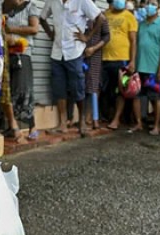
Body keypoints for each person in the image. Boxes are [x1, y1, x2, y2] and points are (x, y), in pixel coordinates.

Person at [40, 0, 103, 136]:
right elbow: (42, 18)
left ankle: (81, 122)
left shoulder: (82, 2)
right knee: (59, 88)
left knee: (77, 87)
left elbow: (100, 18)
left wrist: (87, 36)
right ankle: (62, 124)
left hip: (74, 52)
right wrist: (50, 34)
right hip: (57, 53)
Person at [131, 0, 160, 135]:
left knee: (156, 98)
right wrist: (133, 63)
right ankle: (138, 123)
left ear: (158, 7)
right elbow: (136, 45)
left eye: (152, 3)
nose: (149, 6)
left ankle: (156, 125)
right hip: (139, 66)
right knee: (136, 95)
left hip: (154, 68)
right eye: (147, 2)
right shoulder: (141, 25)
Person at [4, 0, 41, 141]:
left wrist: (11, 30)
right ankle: (11, 126)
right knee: (9, 91)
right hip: (7, 53)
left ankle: (32, 127)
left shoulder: (30, 6)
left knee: (24, 90)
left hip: (23, 53)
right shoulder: (6, 6)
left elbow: (34, 29)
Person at [103, 0, 139, 130]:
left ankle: (116, 119)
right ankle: (106, 115)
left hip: (122, 58)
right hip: (104, 58)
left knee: (121, 90)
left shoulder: (129, 17)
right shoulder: (105, 14)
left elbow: (133, 40)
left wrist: (132, 61)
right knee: (106, 89)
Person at [80, 15, 111, 130]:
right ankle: (80, 119)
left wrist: (94, 48)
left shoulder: (101, 17)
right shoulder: (79, 14)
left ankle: (94, 119)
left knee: (93, 86)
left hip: (94, 54)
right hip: (79, 53)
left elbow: (107, 36)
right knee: (80, 85)